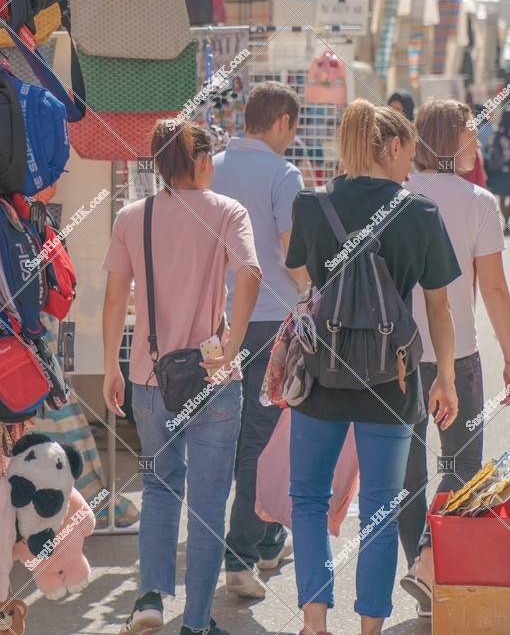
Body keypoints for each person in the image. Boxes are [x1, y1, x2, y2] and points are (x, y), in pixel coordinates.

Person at [285, 100, 460, 635]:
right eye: (408, 151)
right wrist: (446, 378)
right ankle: (370, 629)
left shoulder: (311, 205)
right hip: (394, 379)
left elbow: (297, 271)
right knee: (382, 507)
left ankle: (315, 623)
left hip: (321, 378)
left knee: (309, 499)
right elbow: (438, 307)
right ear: (390, 147)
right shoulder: (420, 211)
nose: (411, 164)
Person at [102, 121, 262, 635]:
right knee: (210, 501)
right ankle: (195, 623)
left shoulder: (133, 217)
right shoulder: (226, 212)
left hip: (150, 378)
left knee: (159, 487)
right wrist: (233, 344)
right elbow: (251, 274)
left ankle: (148, 600)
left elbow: (113, 299)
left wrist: (111, 365)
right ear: (198, 162)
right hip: (213, 378)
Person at [399, 99, 510, 616]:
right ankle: (429, 561)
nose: (479, 142)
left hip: (397, 355)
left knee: (405, 471)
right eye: (472, 132)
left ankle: (424, 580)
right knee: (462, 464)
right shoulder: (480, 201)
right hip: (458, 355)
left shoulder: (395, 196)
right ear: (450, 139)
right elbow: (493, 290)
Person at [210, 81, 310, 598]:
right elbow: (295, 258)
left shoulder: (213, 166)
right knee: (264, 438)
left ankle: (267, 538)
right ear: (283, 123)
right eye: (292, 128)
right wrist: (316, 292)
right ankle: (240, 555)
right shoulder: (284, 174)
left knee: (229, 440)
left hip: (217, 324)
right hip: (272, 320)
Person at [485, 106, 510, 232]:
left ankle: (506, 223)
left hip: (500, 171)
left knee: (502, 197)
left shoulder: (497, 134)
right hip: (507, 170)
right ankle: (507, 222)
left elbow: (490, 150)